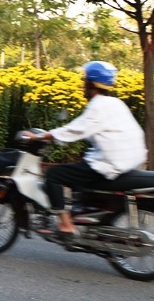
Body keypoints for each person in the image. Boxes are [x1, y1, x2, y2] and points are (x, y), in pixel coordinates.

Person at [22, 60, 146, 238]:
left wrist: (41, 136)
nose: (82, 85)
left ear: (91, 84)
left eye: (84, 81)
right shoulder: (115, 103)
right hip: (130, 161)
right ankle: (80, 213)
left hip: (110, 164)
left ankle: (65, 225)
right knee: (79, 168)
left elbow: (74, 130)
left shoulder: (98, 106)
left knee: (54, 175)